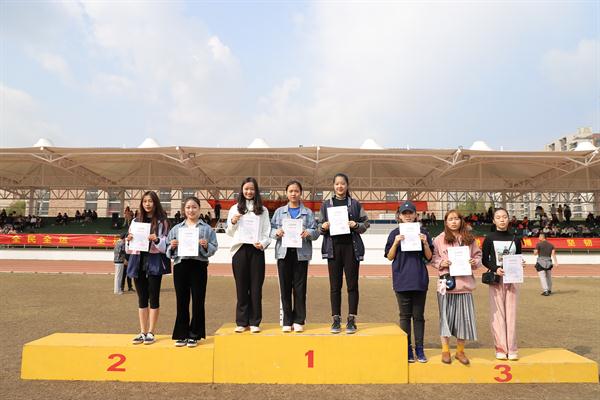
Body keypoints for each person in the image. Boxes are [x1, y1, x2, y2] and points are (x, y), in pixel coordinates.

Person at [319, 173, 370, 334]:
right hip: (333, 248)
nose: (340, 186)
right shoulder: (326, 204)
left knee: (352, 285)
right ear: (333, 186)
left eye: (342, 184)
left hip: (351, 248)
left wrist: (356, 225)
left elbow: (366, 223)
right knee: (335, 286)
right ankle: (336, 319)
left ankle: (351, 319)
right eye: (337, 184)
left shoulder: (355, 204)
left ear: (347, 185)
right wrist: (323, 227)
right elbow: (319, 226)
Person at [385, 200, 433, 363]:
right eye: (404, 213)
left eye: (410, 213)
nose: (407, 216)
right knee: (405, 316)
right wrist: (396, 242)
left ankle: (419, 349)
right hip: (401, 279)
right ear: (399, 216)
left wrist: (425, 242)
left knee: (418, 316)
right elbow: (389, 256)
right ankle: (406, 349)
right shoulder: (394, 233)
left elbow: (429, 257)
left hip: (419, 279)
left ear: (416, 215)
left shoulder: (423, 232)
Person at [431, 210, 482, 365]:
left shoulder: (469, 238)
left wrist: (474, 262)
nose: (454, 222)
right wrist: (442, 263)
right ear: (446, 222)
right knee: (445, 319)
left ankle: (460, 351)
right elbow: (432, 258)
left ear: (461, 221)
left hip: (464, 285)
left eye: (456, 219)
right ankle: (445, 350)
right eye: (450, 219)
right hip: (446, 286)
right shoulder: (439, 239)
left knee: (464, 320)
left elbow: (478, 256)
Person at [167, 196, 218, 347]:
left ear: (199, 209)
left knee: (198, 301)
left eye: (194, 207)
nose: (191, 210)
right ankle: (182, 334)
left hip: (199, 266)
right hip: (180, 266)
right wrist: (172, 246)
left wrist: (206, 245)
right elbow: (168, 249)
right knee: (181, 301)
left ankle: (194, 335)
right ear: (184, 210)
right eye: (188, 207)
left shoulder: (206, 229)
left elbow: (214, 247)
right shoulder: (176, 229)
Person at [270, 180, 320, 333]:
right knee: (285, 288)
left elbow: (316, 232)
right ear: (286, 193)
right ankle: (287, 320)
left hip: (301, 254)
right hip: (283, 253)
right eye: (291, 191)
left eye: (296, 191)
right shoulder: (279, 212)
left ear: (300, 193)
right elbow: (270, 229)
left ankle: (299, 320)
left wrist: (308, 233)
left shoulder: (308, 213)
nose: (293, 194)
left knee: (300, 288)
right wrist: (276, 232)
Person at [226, 177, 271, 333]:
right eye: (246, 189)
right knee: (241, 287)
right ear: (242, 190)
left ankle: (255, 322)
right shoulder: (235, 209)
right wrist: (233, 222)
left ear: (256, 191)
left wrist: (263, 243)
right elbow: (229, 232)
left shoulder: (263, 210)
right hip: (239, 250)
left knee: (256, 287)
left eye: (252, 189)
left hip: (256, 250)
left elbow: (267, 231)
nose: (249, 191)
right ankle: (241, 321)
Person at [126, 191, 170, 345]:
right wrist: (129, 240)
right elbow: (129, 247)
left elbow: (166, 244)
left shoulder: (163, 222)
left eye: (150, 201)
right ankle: (142, 332)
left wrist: (157, 240)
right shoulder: (135, 221)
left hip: (154, 261)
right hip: (137, 260)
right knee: (142, 298)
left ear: (155, 203)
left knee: (154, 297)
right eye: (145, 201)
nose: (147, 204)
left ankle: (151, 332)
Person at [482, 207, 524, 361]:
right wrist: (495, 269)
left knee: (511, 315)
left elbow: (518, 256)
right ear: (494, 220)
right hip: (496, 280)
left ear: (508, 219)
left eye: (504, 217)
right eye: (498, 217)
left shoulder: (516, 238)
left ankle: (512, 349)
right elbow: (485, 260)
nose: (502, 219)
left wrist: (521, 263)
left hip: (512, 280)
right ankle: (500, 349)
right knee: (498, 315)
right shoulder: (489, 238)